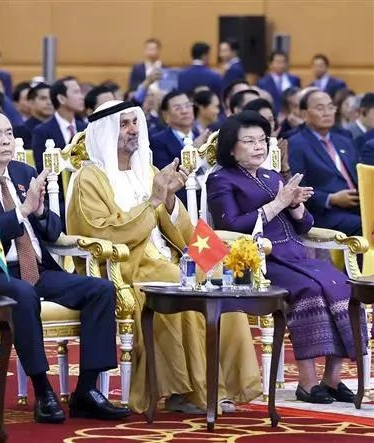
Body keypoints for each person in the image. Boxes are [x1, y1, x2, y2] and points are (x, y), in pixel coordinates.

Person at [66, 100, 260, 414]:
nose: (133, 130)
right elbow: (101, 234)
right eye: (124, 124)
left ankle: (224, 385)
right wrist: (153, 200)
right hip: (128, 267)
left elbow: (181, 227)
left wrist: (169, 201)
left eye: (135, 123)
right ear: (104, 133)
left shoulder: (149, 171)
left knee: (221, 276)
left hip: (168, 258)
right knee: (175, 282)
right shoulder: (90, 179)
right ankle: (187, 392)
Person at [0, 106, 130, 424]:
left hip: (40, 269)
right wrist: (20, 213)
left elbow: (54, 232)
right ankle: (43, 391)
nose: (7, 140)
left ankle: (85, 391)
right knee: (23, 296)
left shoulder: (23, 172)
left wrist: (40, 212)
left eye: (9, 134)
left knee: (101, 289)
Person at [207, 111, 366, 404]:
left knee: (344, 285)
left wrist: (294, 207)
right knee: (309, 291)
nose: (259, 146)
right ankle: (306, 382)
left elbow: (304, 226)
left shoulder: (271, 175)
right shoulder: (220, 180)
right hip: (259, 260)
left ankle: (332, 378)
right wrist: (278, 203)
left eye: (262, 140)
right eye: (249, 141)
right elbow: (230, 225)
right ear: (231, 147)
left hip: (295, 252)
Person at [288, 90, 361, 236]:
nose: (327, 112)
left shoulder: (344, 140)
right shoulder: (296, 144)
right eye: (320, 108)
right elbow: (298, 188)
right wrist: (331, 199)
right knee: (363, 225)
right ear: (304, 114)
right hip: (325, 212)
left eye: (330, 107)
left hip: (358, 204)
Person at [149, 91, 208, 205]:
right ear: (166, 116)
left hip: (205, 198)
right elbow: (166, 175)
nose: (185, 111)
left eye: (187, 105)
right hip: (179, 201)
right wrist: (194, 148)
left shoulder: (201, 136)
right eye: (177, 108)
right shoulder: (158, 141)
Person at [31, 76, 87, 173]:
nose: (81, 97)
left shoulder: (86, 128)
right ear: (61, 98)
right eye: (76, 92)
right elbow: (42, 169)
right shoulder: (42, 131)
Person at [14, 82, 53, 149]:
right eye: (43, 98)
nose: (49, 102)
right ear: (31, 102)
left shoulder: (62, 128)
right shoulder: (19, 132)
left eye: (52, 98)